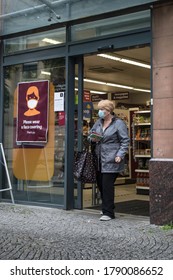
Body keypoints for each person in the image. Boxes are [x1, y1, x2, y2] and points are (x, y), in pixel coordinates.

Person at [89, 99, 129, 221]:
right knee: (101, 185)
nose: (100, 112)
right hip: (99, 158)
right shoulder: (99, 122)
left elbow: (125, 140)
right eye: (99, 109)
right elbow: (90, 134)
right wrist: (93, 138)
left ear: (108, 110)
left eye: (102, 109)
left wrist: (120, 154)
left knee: (107, 186)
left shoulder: (118, 123)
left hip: (112, 159)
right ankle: (108, 206)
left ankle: (108, 213)